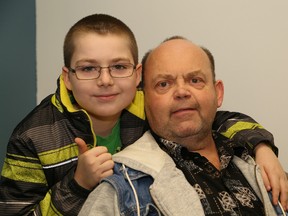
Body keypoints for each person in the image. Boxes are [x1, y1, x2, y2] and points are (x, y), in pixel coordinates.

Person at [0, 13, 285, 215]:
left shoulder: (141, 103)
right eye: (88, 68)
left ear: (136, 76)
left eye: (119, 67)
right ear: (68, 77)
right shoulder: (32, 136)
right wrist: (77, 185)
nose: (105, 80)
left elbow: (210, 116)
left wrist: (261, 146)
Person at [79, 36, 288, 215]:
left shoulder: (256, 162)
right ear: (144, 100)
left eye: (195, 80)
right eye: (163, 84)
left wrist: (261, 147)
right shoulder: (119, 188)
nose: (181, 92)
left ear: (218, 93)